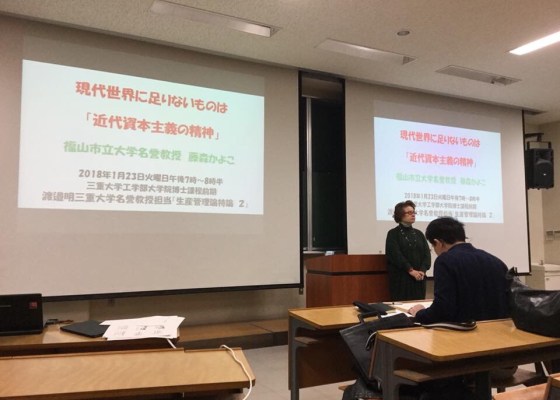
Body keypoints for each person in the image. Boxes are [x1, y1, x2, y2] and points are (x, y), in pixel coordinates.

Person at [409, 216, 510, 323]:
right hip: (500, 330)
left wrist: (419, 313)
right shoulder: (496, 261)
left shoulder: (445, 261)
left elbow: (442, 310)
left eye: (433, 246)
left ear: (438, 242)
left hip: (465, 330)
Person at [385, 200, 431, 301]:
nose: (413, 215)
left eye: (414, 212)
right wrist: (410, 270)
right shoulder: (393, 233)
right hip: (402, 278)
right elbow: (395, 255)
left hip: (419, 278)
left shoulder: (419, 233)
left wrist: (422, 270)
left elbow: (427, 254)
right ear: (400, 215)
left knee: (418, 305)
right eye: (409, 212)